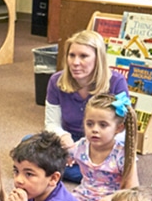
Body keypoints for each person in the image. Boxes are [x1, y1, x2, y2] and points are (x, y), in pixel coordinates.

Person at [44, 30, 130, 183]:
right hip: (69, 140)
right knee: (28, 144)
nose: (75, 62)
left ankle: (61, 169)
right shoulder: (56, 81)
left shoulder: (116, 82)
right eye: (72, 55)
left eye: (83, 56)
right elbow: (51, 123)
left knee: (121, 162)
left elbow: (123, 129)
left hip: (102, 142)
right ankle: (91, 172)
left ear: (98, 59)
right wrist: (64, 137)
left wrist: (85, 149)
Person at [69, 92, 140, 201]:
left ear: (118, 128)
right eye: (90, 124)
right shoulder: (82, 145)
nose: (95, 129)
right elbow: (62, 157)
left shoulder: (123, 153)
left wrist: (112, 199)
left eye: (103, 125)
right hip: (81, 197)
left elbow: (133, 190)